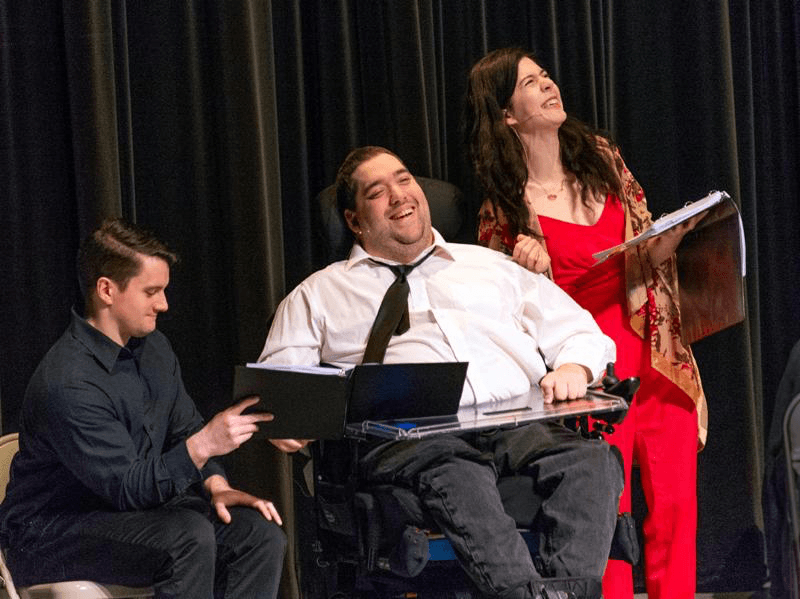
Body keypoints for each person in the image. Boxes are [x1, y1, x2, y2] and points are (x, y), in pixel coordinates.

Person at [259, 145, 624, 599]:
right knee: (457, 470)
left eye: (404, 179)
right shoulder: (320, 294)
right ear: (354, 221)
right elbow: (280, 387)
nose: (399, 196)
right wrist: (291, 419)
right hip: (410, 439)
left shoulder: (492, 265)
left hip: (513, 424)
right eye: (377, 192)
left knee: (591, 461)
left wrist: (573, 365)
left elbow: (579, 331)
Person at [464, 47, 706, 599]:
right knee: (608, 520)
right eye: (530, 82)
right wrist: (530, 274)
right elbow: (499, 322)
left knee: (674, 512)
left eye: (546, 75)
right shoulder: (504, 210)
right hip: (591, 380)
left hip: (654, 355)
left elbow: (646, 253)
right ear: (506, 114)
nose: (549, 85)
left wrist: (668, 240)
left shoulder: (603, 159)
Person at [0, 219, 287, 599]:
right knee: (188, 537)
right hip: (51, 532)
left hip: (130, 515)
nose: (164, 304)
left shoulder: (154, 349)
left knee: (258, 535)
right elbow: (128, 488)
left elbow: (183, 428)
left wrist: (217, 486)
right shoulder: (68, 381)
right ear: (107, 290)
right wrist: (205, 445)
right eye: (151, 291)